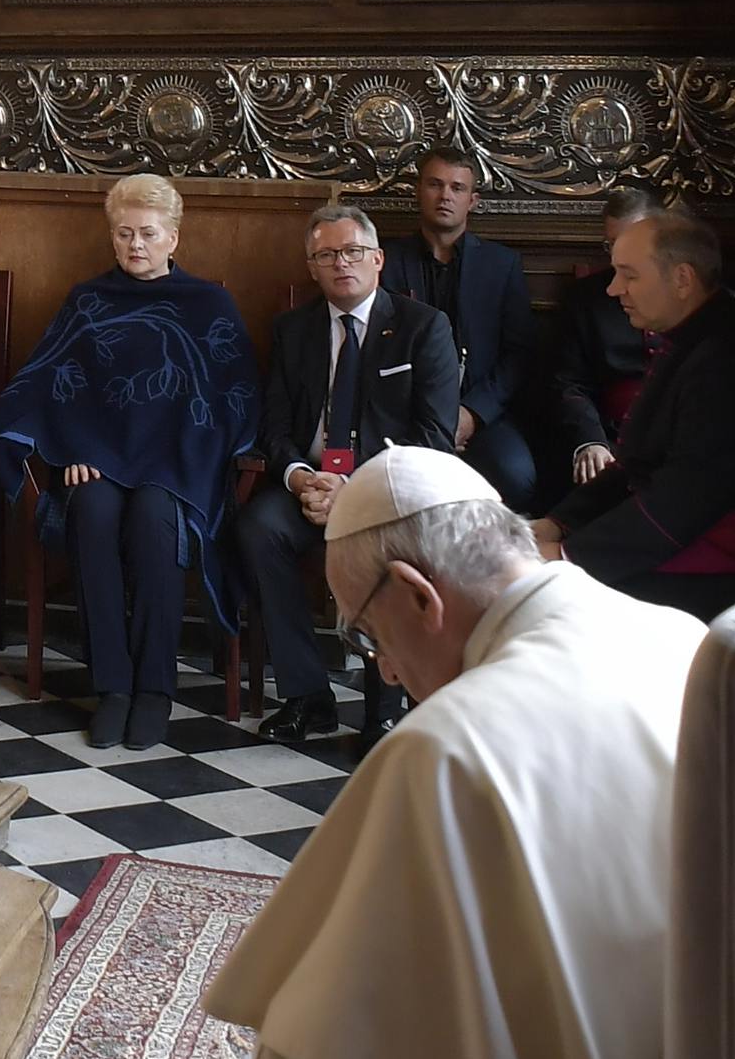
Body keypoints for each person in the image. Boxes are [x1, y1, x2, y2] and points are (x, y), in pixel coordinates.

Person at [57, 447, 707, 1059]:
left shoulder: (451, 746)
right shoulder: (684, 638)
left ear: (416, 593)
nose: (389, 669)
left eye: (367, 636)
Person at [0, 174, 258, 752]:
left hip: (176, 469)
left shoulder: (209, 304)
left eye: (148, 234)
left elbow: (231, 400)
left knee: (155, 523)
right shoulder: (88, 301)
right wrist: (71, 450)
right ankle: (111, 687)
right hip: (100, 463)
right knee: (92, 512)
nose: (135, 245)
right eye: (125, 233)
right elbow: (50, 384)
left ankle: (153, 690)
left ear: (173, 238)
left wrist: (185, 464)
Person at [236, 203, 459, 750]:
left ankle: (384, 711)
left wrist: (353, 486)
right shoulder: (293, 330)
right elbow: (274, 425)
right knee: (259, 528)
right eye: (327, 255)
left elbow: (434, 435)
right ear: (312, 267)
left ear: (378, 259)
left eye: (353, 252)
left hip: (386, 491)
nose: (341, 263)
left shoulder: (423, 327)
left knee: (388, 542)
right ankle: (306, 696)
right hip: (310, 486)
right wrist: (299, 478)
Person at [540, 207, 735, 613]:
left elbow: (683, 500)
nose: (613, 289)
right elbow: (634, 465)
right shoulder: (692, 335)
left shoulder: (728, 358)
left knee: (559, 600)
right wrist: (555, 524)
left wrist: (566, 557)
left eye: (629, 275)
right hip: (686, 530)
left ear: (682, 279)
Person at [381, 143, 538, 507]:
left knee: (517, 477)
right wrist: (429, 420)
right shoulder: (385, 261)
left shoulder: (502, 265)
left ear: (473, 200)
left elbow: (519, 355)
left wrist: (472, 414)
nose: (445, 196)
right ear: (418, 191)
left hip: (480, 412)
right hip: (402, 414)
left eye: (457, 187)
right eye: (435, 184)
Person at [543, 181, 667, 494]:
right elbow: (568, 383)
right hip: (611, 438)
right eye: (612, 244)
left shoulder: (697, 295)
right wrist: (591, 441)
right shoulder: (584, 299)